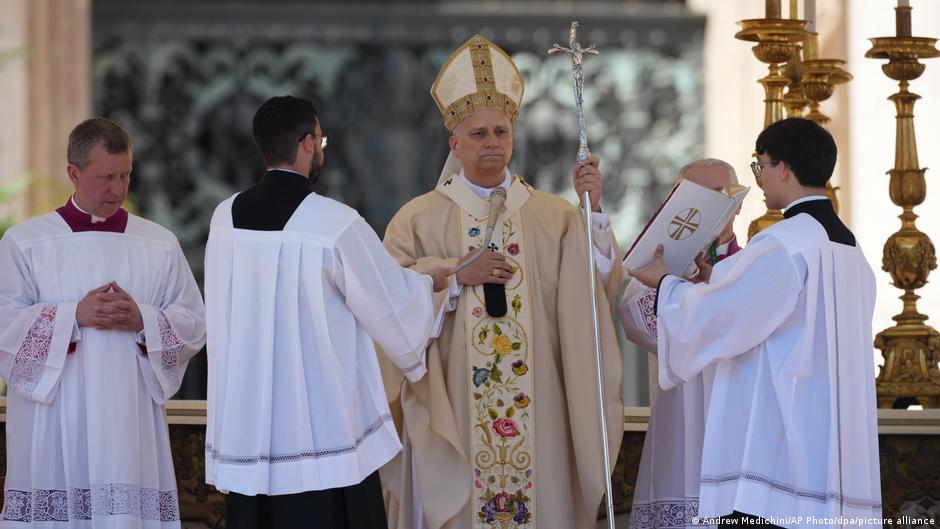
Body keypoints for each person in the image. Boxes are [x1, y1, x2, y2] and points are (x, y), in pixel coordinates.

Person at [379, 35, 624, 529]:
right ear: (454, 143)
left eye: (501, 132)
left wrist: (593, 212)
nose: (492, 142)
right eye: (478, 134)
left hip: (541, 412)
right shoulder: (418, 219)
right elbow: (385, 304)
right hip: (453, 412)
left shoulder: (555, 217)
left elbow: (595, 293)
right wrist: (449, 278)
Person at [203, 95, 450, 529]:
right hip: (320, 432)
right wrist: (435, 281)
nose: (321, 148)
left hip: (249, 426)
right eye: (321, 140)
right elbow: (389, 304)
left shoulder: (225, 219)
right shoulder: (334, 223)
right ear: (305, 143)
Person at [629, 118, 881, 527]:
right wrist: (714, 279)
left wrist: (666, 285)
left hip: (782, 451)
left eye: (760, 166)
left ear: (783, 168)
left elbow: (724, 317)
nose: (759, 179)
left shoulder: (783, 244)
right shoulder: (850, 249)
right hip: (835, 446)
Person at [0, 118, 206, 528]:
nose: (118, 189)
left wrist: (144, 320)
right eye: (106, 177)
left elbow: (193, 323)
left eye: (125, 175)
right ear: (73, 173)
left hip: (129, 422)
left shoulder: (158, 243)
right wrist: (71, 317)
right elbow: (4, 326)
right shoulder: (27, 243)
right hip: (56, 422)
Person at [619, 158, 742, 529]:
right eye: (698, 194)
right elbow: (639, 323)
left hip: (738, 426)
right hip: (680, 422)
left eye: (721, 193)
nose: (712, 202)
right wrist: (673, 284)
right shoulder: (657, 268)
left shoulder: (754, 263)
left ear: (738, 202)